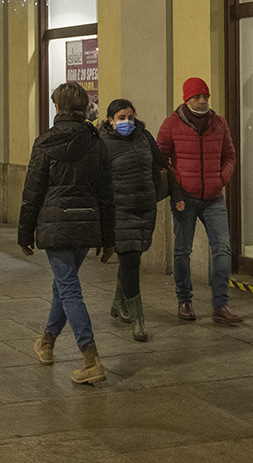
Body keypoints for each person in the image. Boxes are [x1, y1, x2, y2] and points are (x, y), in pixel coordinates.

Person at [19, 82, 115, 385]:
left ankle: (91, 358)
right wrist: (108, 237)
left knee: (69, 289)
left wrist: (24, 234)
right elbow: (106, 194)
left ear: (59, 107)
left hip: (56, 225)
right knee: (64, 285)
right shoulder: (96, 142)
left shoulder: (45, 142)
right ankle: (46, 342)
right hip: (86, 225)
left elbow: (32, 191)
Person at [157, 77, 242, 325]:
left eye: (206, 96)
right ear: (187, 99)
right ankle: (184, 300)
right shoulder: (171, 125)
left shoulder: (220, 124)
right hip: (185, 198)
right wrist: (177, 188)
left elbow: (230, 156)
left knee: (223, 250)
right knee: (183, 251)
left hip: (214, 198)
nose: (202, 101)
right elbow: (162, 162)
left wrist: (221, 179)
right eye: (197, 97)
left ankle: (220, 305)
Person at [99, 98, 167, 342]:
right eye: (121, 118)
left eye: (130, 117)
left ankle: (118, 303)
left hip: (145, 207)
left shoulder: (144, 137)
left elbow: (160, 163)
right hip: (121, 210)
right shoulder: (103, 144)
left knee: (133, 256)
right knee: (130, 260)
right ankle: (138, 320)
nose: (127, 122)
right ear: (110, 120)